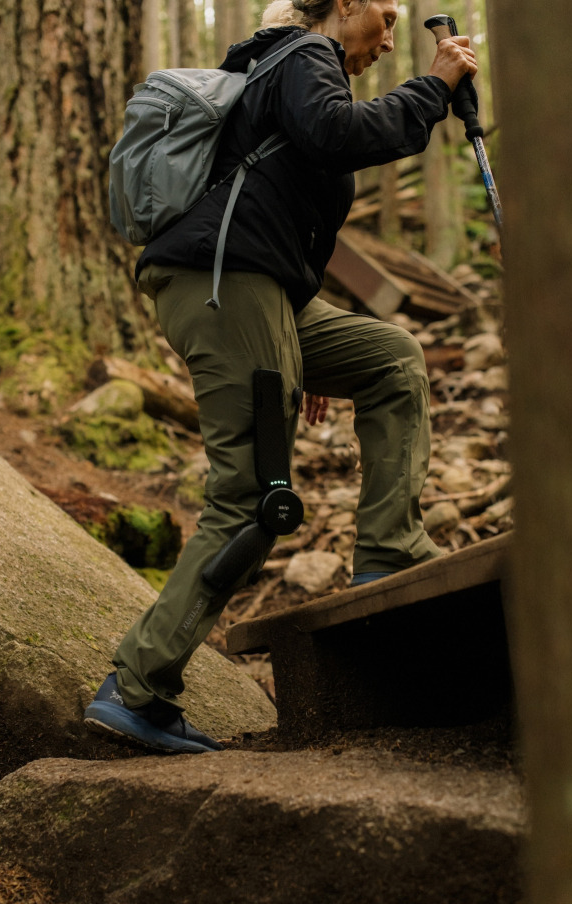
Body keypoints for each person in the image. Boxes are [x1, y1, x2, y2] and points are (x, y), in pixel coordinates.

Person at [85, 0, 478, 753]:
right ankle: (136, 689)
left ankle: (390, 546)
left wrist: (295, 326)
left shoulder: (288, 71)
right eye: (386, 16)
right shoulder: (303, 53)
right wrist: (433, 89)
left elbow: (273, 207)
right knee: (253, 501)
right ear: (345, 4)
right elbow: (337, 137)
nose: (392, 38)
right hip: (223, 286)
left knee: (392, 357)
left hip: (256, 290)